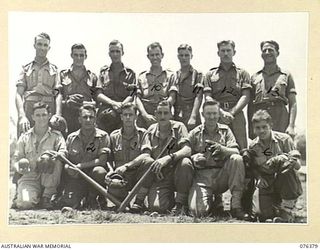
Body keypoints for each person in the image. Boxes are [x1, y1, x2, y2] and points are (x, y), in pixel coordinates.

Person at [187, 99, 249, 220]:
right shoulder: (195, 133)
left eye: (215, 113)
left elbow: (236, 151)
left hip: (222, 176)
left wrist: (222, 149)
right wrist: (194, 157)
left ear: (219, 114)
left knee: (236, 159)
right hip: (203, 177)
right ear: (203, 115)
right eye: (208, 114)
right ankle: (212, 201)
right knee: (198, 212)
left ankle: (236, 205)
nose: (212, 117)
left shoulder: (225, 130)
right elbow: (185, 151)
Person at [245, 109, 302, 222]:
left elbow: (298, 166)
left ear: (270, 125)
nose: (261, 130)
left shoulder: (285, 139)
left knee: (287, 168)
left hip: (286, 181)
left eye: (264, 127)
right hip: (267, 182)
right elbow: (254, 168)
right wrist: (259, 177)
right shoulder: (253, 146)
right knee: (261, 215)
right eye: (257, 127)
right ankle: (276, 209)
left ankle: (287, 210)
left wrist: (285, 158)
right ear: (253, 128)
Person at [140, 100, 193, 214]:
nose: (162, 116)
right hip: (161, 177)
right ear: (155, 114)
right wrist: (154, 166)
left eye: (165, 113)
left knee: (185, 162)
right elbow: (146, 156)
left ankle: (181, 203)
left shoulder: (179, 127)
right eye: (159, 113)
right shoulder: (150, 130)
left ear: (171, 114)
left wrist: (168, 158)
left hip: (177, 174)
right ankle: (169, 199)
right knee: (157, 208)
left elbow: (187, 149)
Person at [12, 102, 66, 210]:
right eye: (38, 115)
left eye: (44, 115)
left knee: (54, 159)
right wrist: (20, 167)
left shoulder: (56, 136)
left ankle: (47, 197)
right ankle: (31, 197)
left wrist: (52, 156)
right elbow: (16, 159)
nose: (41, 118)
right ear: (32, 117)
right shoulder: (25, 137)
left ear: (49, 115)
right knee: (24, 204)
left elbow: (63, 153)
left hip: (49, 178)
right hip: (29, 178)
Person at [57, 103, 111, 209]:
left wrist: (80, 166)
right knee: (69, 203)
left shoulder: (103, 136)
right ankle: (76, 197)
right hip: (77, 178)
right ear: (79, 120)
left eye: (91, 117)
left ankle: (92, 197)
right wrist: (68, 168)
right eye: (85, 117)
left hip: (94, 179)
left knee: (99, 171)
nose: (88, 120)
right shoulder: (71, 138)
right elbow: (66, 161)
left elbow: (102, 161)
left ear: (95, 119)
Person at [203, 40, 251, 150]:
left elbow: (246, 96)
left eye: (228, 50)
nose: (225, 53)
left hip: (237, 114)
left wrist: (232, 112)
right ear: (218, 53)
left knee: (241, 148)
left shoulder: (242, 73)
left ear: (234, 52)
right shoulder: (210, 74)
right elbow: (208, 97)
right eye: (222, 51)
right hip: (217, 115)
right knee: (217, 146)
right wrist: (221, 113)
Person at [106, 102, 154, 209]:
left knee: (149, 162)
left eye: (131, 115)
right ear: (121, 117)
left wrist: (127, 166)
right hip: (120, 177)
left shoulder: (143, 134)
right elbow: (109, 159)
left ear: (136, 116)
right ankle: (123, 202)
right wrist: (110, 171)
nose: (128, 117)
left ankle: (139, 202)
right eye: (125, 115)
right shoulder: (113, 136)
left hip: (137, 175)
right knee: (114, 185)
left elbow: (146, 154)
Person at [15, 32, 63, 137]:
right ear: (34, 45)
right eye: (39, 44)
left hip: (48, 107)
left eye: (45, 45)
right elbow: (18, 94)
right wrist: (21, 116)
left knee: (51, 139)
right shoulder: (25, 68)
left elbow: (58, 93)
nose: (42, 48)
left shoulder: (54, 69)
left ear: (49, 48)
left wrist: (58, 114)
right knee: (25, 138)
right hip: (30, 108)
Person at [248, 40, 297, 139]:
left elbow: (293, 103)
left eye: (270, 50)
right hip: (260, 115)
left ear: (277, 53)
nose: (267, 53)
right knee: (261, 150)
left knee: (281, 147)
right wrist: (251, 128)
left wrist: (291, 126)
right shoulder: (254, 77)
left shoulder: (286, 75)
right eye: (264, 50)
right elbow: (250, 105)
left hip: (280, 115)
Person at [95, 40, 136, 134]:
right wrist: (113, 103)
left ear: (123, 53)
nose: (115, 54)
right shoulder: (103, 73)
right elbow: (98, 94)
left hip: (123, 113)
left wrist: (120, 105)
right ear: (109, 54)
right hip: (105, 115)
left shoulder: (130, 73)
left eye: (118, 51)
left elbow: (132, 94)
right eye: (112, 51)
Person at [59, 43, 97, 135]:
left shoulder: (92, 77)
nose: (78, 58)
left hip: (86, 117)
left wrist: (85, 103)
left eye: (81, 55)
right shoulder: (62, 75)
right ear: (71, 55)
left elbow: (97, 101)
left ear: (85, 56)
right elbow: (57, 96)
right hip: (68, 115)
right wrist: (67, 102)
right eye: (76, 55)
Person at [136, 42, 176, 129]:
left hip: (164, 115)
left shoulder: (170, 75)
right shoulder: (142, 76)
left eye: (157, 54)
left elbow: (172, 97)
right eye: (152, 55)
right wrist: (144, 115)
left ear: (162, 55)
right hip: (145, 118)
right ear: (148, 56)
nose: (155, 57)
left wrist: (162, 112)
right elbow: (137, 98)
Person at [169, 44, 203, 131]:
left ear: (191, 56)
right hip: (177, 115)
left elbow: (198, 97)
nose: (184, 58)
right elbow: (172, 97)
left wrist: (193, 116)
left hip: (191, 115)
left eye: (186, 55)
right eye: (181, 55)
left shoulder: (197, 75)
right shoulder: (174, 76)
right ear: (178, 57)